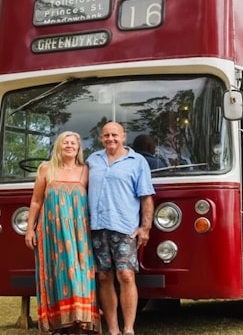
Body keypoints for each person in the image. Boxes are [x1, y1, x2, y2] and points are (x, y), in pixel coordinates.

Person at [25, 131, 101, 335]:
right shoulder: (46, 169)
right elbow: (36, 201)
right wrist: (29, 229)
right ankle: (59, 323)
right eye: (65, 142)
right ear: (58, 146)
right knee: (55, 273)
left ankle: (80, 321)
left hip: (79, 233)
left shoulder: (86, 170)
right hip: (51, 232)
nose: (69, 146)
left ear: (78, 148)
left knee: (80, 273)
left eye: (73, 143)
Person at [87, 122, 155, 335]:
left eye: (114, 135)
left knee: (126, 275)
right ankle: (113, 329)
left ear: (123, 136)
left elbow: (146, 196)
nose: (110, 139)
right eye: (106, 135)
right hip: (97, 227)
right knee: (104, 277)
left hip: (124, 228)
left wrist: (145, 227)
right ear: (101, 138)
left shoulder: (137, 161)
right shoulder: (92, 161)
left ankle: (128, 329)